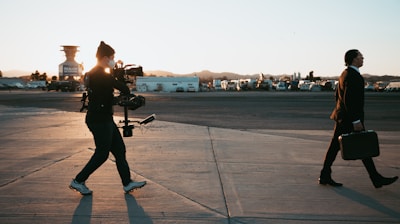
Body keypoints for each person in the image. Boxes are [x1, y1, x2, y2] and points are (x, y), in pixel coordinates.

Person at [69, 41, 146, 195]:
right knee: (102, 153)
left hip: (103, 117)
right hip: (99, 119)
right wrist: (123, 83)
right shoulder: (99, 74)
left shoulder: (95, 73)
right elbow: (122, 88)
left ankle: (127, 183)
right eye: (112, 57)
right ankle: (78, 180)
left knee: (119, 150)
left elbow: (105, 97)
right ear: (105, 58)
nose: (113, 60)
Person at [319, 49, 398, 188]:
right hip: (349, 119)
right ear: (354, 59)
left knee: (337, 147)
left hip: (343, 117)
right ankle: (375, 178)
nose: (363, 58)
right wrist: (356, 121)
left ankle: (325, 175)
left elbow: (338, 96)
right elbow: (349, 100)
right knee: (363, 146)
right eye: (360, 56)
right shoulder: (353, 76)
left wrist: (341, 112)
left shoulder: (345, 74)